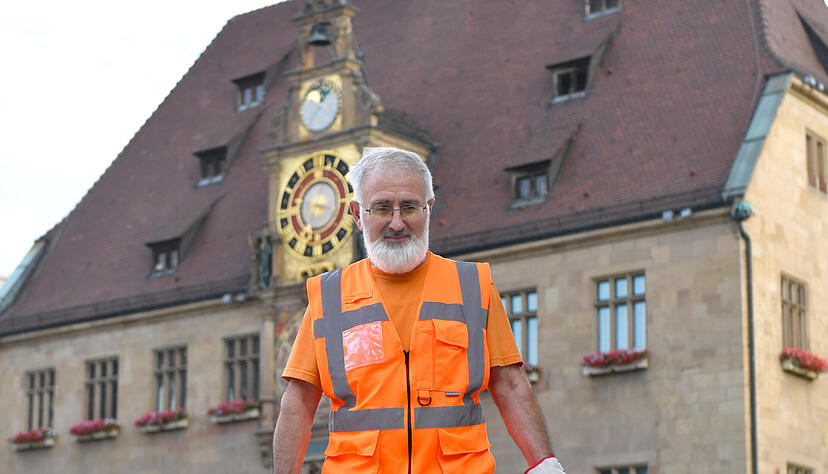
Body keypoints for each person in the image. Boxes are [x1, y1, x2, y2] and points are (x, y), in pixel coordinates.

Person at [272, 147, 566, 474]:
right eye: (382, 208)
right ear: (357, 214)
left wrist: (545, 465)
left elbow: (510, 384)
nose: (397, 223)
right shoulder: (328, 296)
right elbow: (298, 402)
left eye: (409, 207)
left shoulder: (474, 285)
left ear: (429, 208)